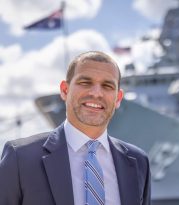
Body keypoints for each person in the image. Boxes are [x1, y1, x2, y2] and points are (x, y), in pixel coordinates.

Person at [0, 51, 151, 205]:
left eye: (107, 85)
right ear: (65, 90)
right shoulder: (20, 158)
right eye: (85, 83)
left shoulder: (138, 162)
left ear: (118, 98)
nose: (96, 93)